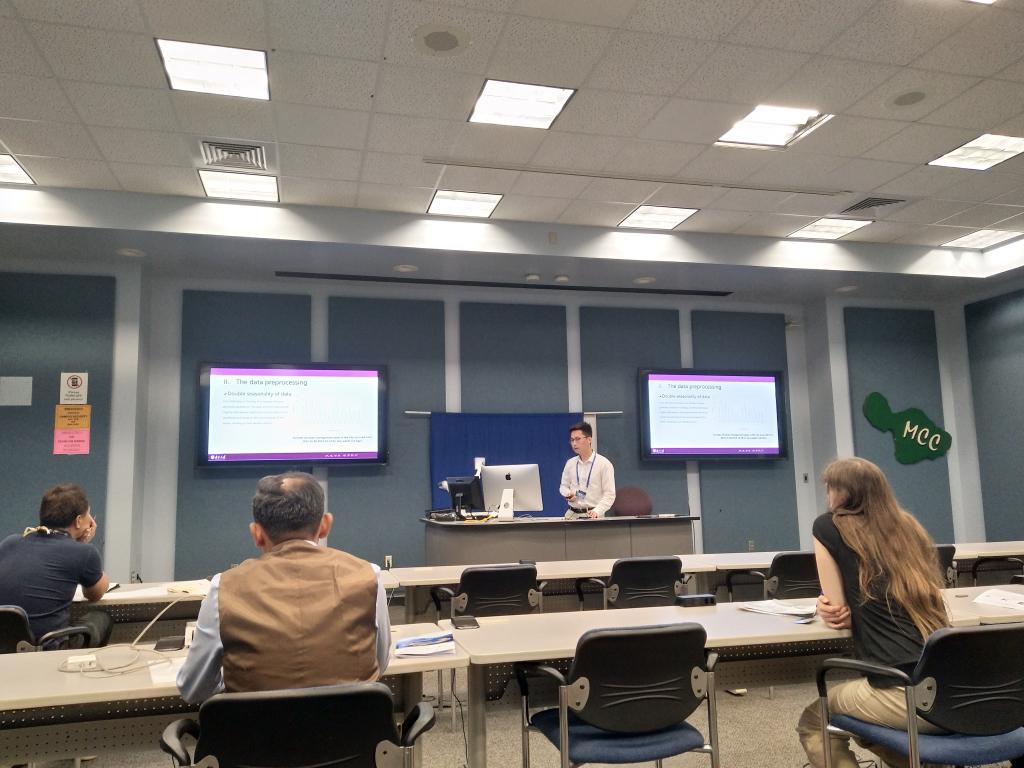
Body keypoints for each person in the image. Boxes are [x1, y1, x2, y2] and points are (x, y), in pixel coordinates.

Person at [177, 471, 391, 704]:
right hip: (352, 726)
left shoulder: (224, 587)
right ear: (325, 526)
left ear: (257, 534)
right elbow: (379, 663)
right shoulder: (368, 575)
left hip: (254, 728)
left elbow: (193, 689)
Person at [796, 457, 950, 768]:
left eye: (830, 488)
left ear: (842, 492)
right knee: (865, 724)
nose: (827, 495)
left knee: (814, 720)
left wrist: (826, 605)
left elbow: (836, 607)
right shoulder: (909, 526)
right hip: (956, 691)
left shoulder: (828, 525)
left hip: (902, 691)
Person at [0, 484, 111, 645]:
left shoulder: (10, 543)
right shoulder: (84, 552)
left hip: (5, 646)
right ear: (78, 521)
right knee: (101, 618)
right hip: (47, 648)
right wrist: (82, 546)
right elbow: (94, 594)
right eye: (88, 514)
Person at [559, 421, 615, 518]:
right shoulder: (570, 463)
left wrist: (597, 511)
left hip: (593, 514)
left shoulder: (604, 464)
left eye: (578, 439)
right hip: (571, 514)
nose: (574, 443)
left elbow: (609, 495)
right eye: (572, 440)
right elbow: (563, 486)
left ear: (589, 439)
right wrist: (568, 494)